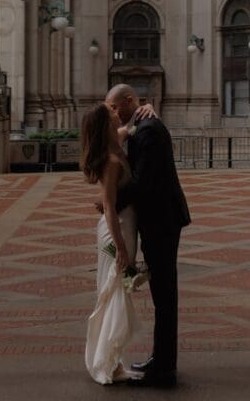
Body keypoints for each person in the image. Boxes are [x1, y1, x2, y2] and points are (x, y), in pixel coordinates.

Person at [105, 84, 190, 390]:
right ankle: (161, 361)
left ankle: (164, 369)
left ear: (130, 101)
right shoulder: (142, 125)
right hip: (159, 220)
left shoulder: (149, 130)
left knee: (165, 298)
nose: (113, 113)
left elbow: (143, 183)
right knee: (163, 297)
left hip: (162, 222)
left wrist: (109, 203)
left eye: (115, 107)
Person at [81, 101, 143, 385]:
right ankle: (106, 362)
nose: (118, 110)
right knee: (113, 291)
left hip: (124, 225)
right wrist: (119, 248)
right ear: (106, 123)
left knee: (119, 289)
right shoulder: (111, 161)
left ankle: (113, 361)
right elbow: (108, 207)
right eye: (112, 111)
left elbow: (129, 129)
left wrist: (147, 111)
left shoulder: (116, 140)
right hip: (115, 229)